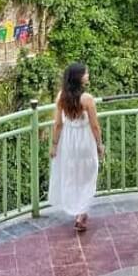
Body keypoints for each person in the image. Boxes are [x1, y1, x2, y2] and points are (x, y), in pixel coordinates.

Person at [48, 63, 104, 231]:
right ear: (78, 77)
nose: (88, 75)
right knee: (88, 176)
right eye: (85, 73)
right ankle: (81, 213)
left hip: (68, 142)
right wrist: (99, 145)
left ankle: (77, 210)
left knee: (73, 175)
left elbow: (58, 124)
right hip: (85, 142)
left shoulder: (61, 97)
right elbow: (95, 126)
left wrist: (54, 145)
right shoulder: (87, 99)